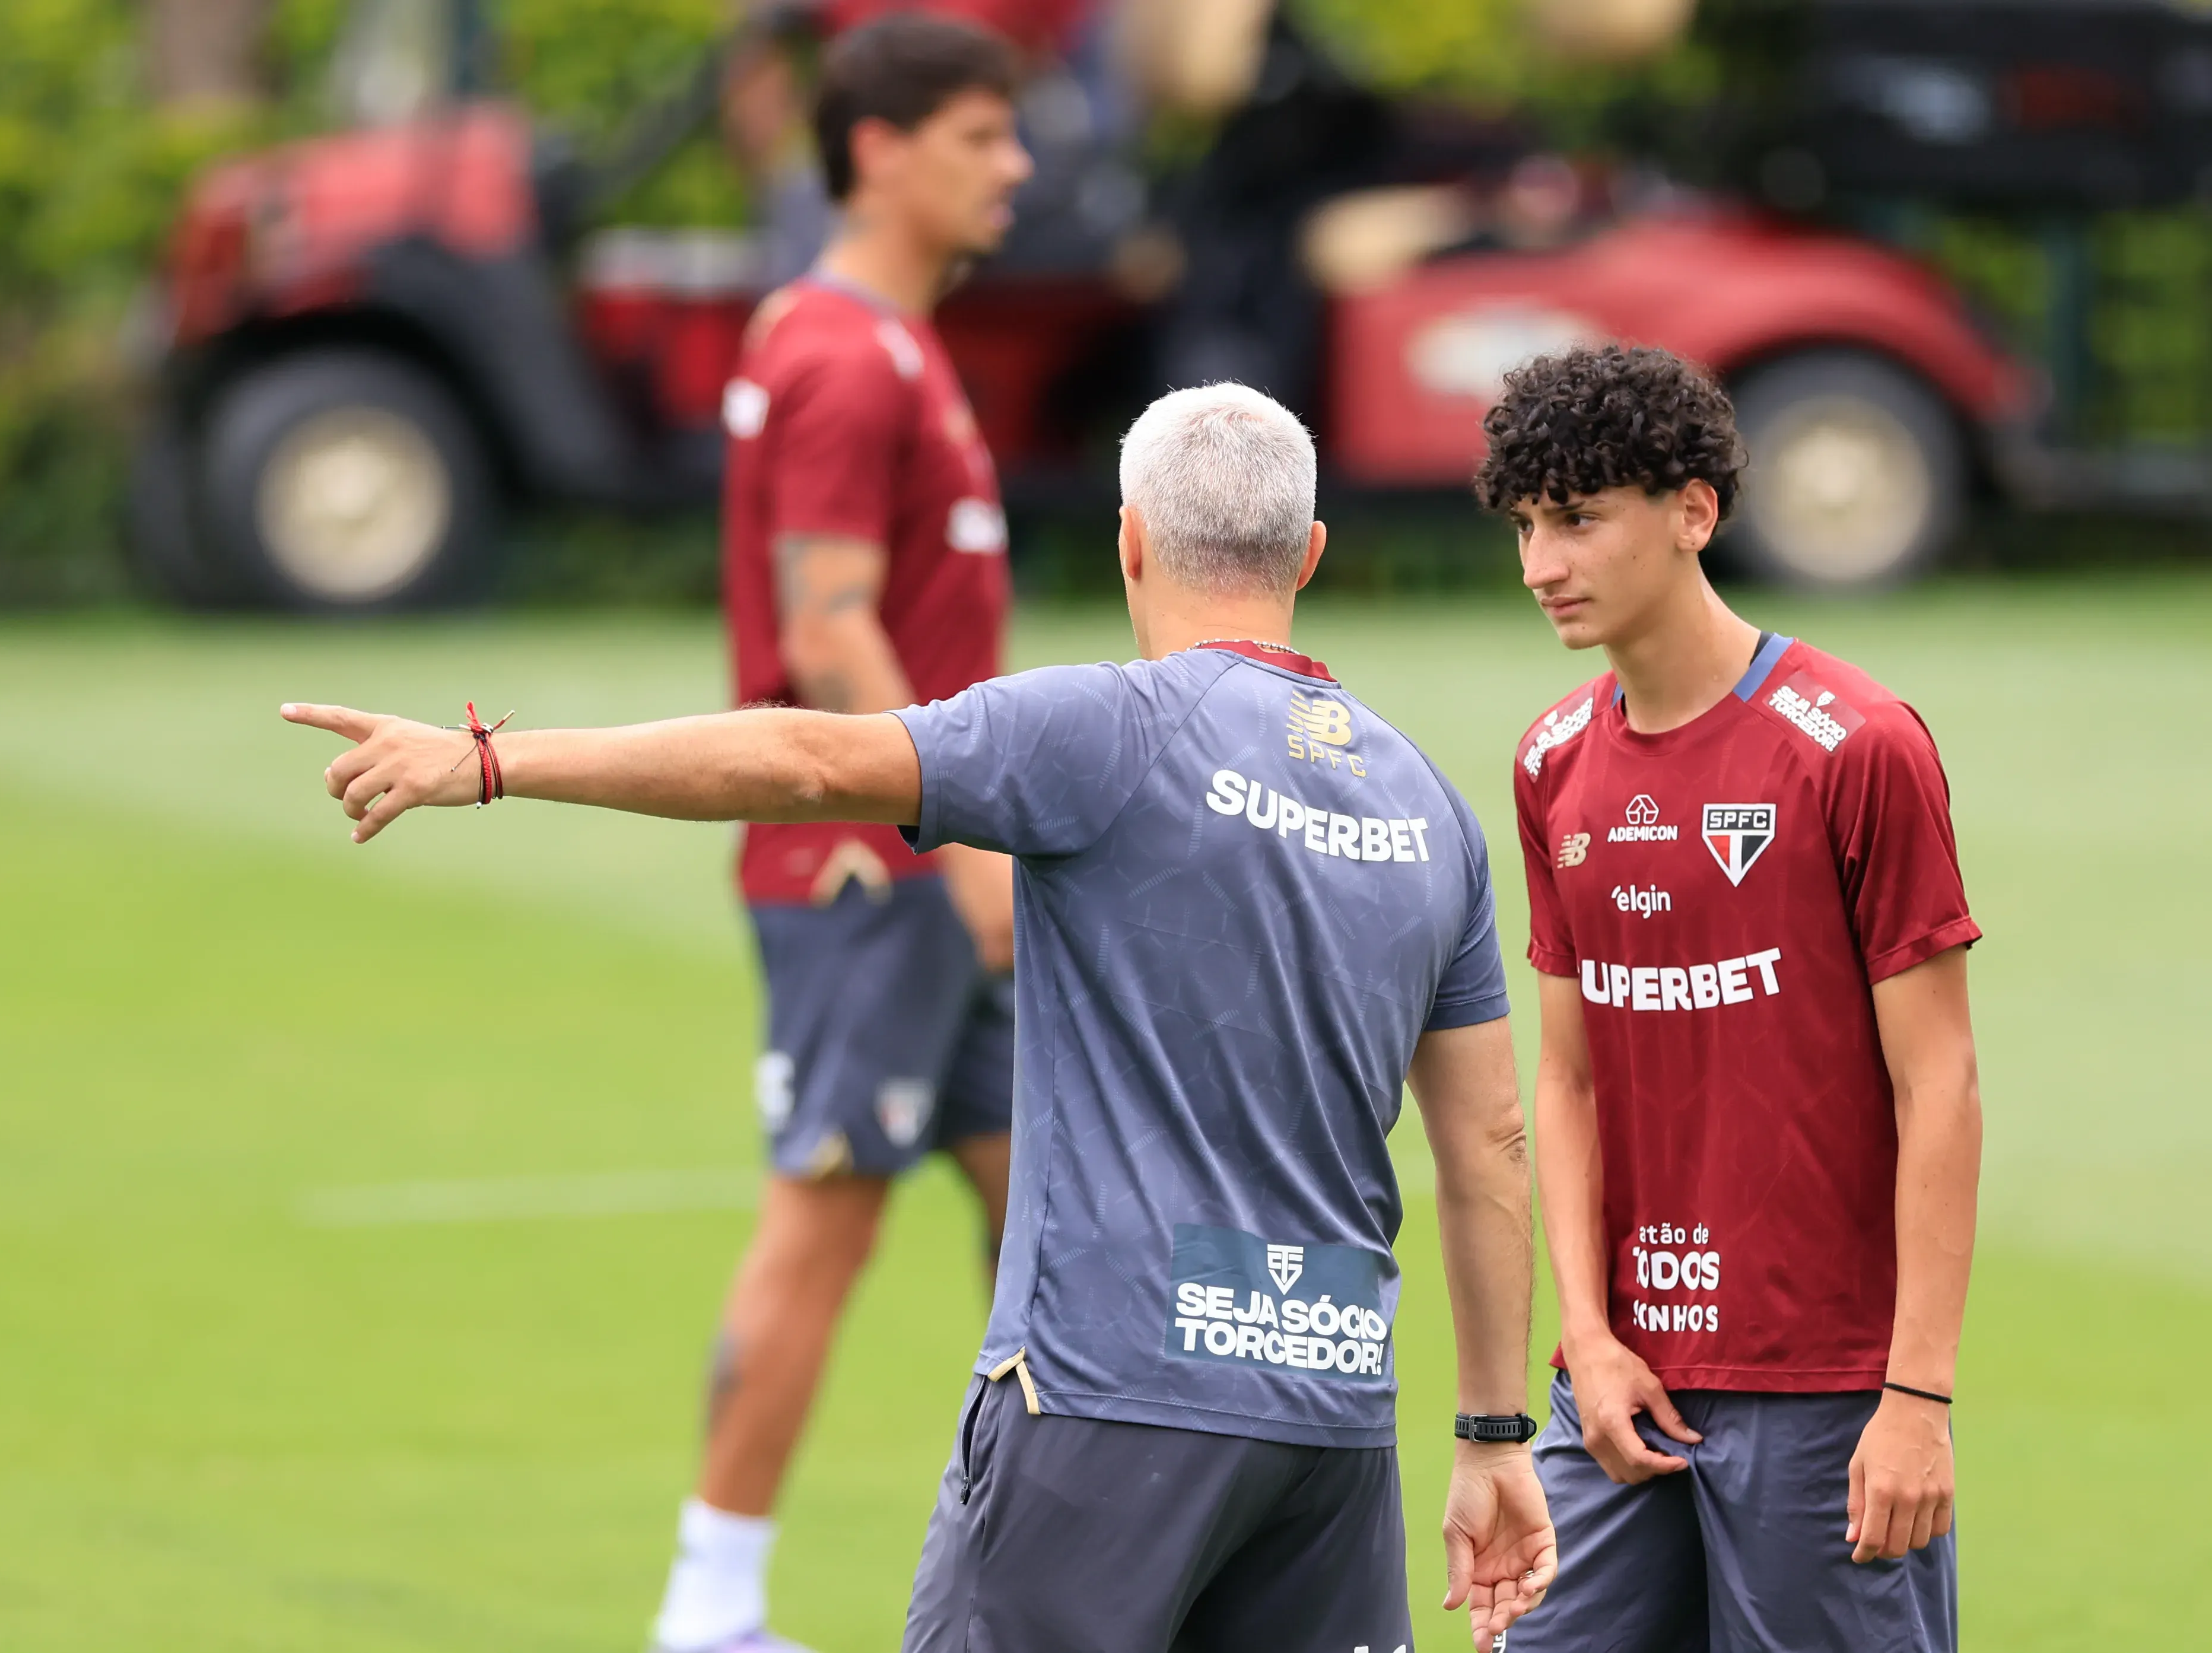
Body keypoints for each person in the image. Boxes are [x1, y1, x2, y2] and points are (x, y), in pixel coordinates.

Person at [282, 383, 1558, 1651]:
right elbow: (1490, 1145)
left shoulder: (1105, 728)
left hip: (1106, 1401)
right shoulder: (1427, 807)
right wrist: (1495, 1434)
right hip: (1333, 1427)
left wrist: (497, 762)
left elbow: (806, 760)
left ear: (1128, 540)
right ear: (1311, 555)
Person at [1482, 346, 1981, 1652]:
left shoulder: (1858, 745)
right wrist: (1584, 1339)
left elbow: (1941, 1082)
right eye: (1527, 525)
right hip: (1620, 1382)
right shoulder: (1550, 761)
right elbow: (1570, 1078)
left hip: (1821, 1392)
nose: (1541, 564)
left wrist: (1916, 1393)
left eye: (1578, 519)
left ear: (1692, 513)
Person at [672, 16, 1033, 1652]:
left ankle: (1064, 1579)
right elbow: (831, 634)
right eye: (979, 136)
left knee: (1057, 1219)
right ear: (877, 149)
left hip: (919, 867)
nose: (1015, 166)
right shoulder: (836, 350)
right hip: (866, 868)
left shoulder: (888, 341)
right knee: (824, 1219)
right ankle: (711, 1615)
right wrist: (968, 847)